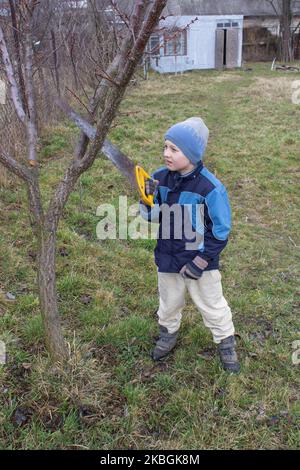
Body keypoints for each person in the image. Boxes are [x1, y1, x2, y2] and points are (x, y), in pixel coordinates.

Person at [139, 117, 240, 373]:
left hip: (199, 261)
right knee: (169, 301)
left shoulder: (210, 188)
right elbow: (152, 216)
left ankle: (226, 343)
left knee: (212, 304)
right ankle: (168, 333)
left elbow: (220, 231)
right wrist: (147, 199)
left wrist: (202, 261)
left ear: (193, 154)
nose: (166, 154)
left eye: (174, 149)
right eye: (165, 147)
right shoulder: (161, 177)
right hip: (168, 256)